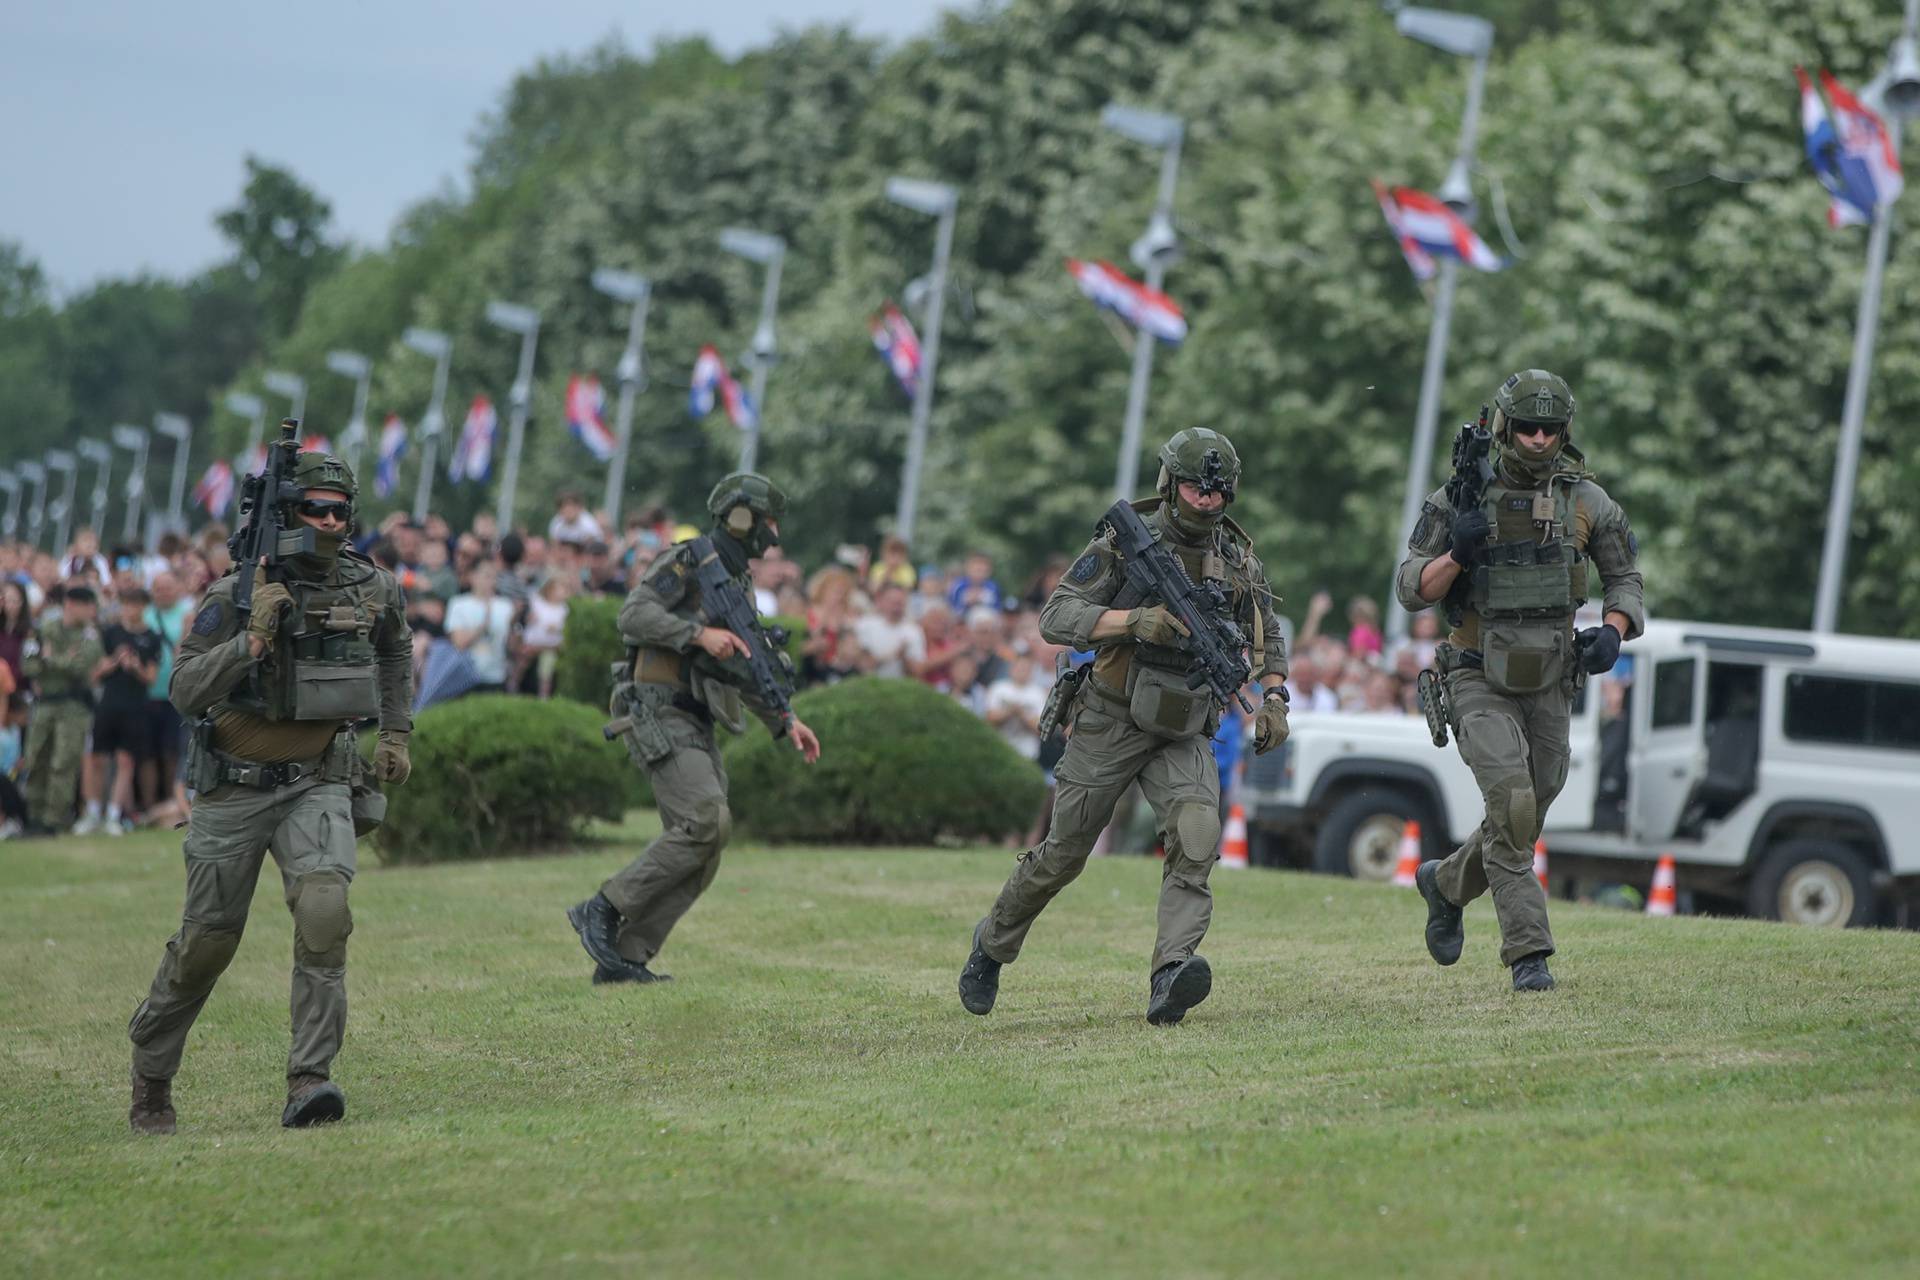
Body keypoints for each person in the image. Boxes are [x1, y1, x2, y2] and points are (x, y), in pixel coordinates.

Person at [958, 429, 1289, 1025]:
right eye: (1194, 488)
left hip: (1184, 725)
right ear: (1169, 483)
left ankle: (1171, 974)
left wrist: (1275, 699)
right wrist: (1133, 620)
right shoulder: (1123, 545)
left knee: (1195, 835)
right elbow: (1056, 617)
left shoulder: (1238, 559)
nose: (1207, 501)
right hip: (1110, 716)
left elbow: (1268, 636)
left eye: (1217, 491)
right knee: (1063, 855)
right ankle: (993, 943)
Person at [126, 452, 413, 1135]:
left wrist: (396, 733)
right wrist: (251, 641)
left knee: (324, 913)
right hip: (234, 790)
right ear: (288, 514)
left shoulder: (372, 587)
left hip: (319, 781)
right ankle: (152, 1075)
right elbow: (184, 690)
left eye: (341, 510)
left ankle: (310, 1080)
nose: (330, 521)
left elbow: (395, 651)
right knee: (207, 944)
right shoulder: (234, 594)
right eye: (316, 508)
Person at [1396, 370, 1643, 993]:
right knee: (1511, 804)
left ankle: (1447, 884)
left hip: (1552, 679)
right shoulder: (1459, 497)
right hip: (1478, 674)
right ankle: (1529, 954)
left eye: (1550, 429)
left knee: (1534, 802)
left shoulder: (1586, 500)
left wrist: (1612, 631)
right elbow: (1409, 590)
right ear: (1505, 426)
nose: (1538, 439)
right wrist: (1457, 553)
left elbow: (1626, 580)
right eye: (1527, 427)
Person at [567, 474, 821, 985]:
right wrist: (698, 634)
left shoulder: (737, 582)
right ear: (742, 517)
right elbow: (634, 614)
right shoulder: (689, 561)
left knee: (709, 838)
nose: (772, 532)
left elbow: (746, 668)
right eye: (766, 520)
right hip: (658, 709)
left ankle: (625, 956)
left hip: (696, 717)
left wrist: (786, 720)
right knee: (706, 820)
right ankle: (603, 907)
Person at [76, 586, 161, 835]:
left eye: (135, 604)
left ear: (143, 607)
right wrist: (114, 661)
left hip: (135, 707)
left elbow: (151, 678)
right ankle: (92, 812)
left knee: (126, 760)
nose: (130, 609)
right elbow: (95, 672)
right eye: (126, 603)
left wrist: (134, 666)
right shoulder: (110, 633)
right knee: (96, 758)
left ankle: (113, 815)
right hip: (108, 703)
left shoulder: (152, 637)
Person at [22, 585, 104, 832]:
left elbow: (82, 666)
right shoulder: (43, 629)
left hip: (73, 706)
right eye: (88, 606)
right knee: (36, 759)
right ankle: (33, 816)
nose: (92, 612)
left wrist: (50, 659)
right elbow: (28, 666)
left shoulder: (90, 636)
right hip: (45, 703)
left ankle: (53, 820)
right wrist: (61, 660)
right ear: (71, 605)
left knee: (63, 763)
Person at [853, 583, 925, 678]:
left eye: (900, 602)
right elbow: (863, 665)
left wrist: (904, 658)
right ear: (880, 601)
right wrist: (894, 655)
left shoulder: (913, 630)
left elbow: (918, 671)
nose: (896, 607)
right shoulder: (864, 625)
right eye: (892, 602)